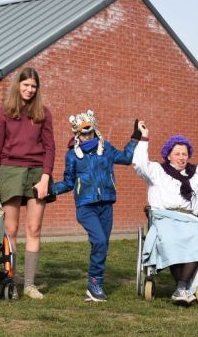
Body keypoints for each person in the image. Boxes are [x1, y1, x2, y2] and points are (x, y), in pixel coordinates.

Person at [132, 120, 198, 306]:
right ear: (168, 156)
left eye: (184, 153)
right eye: (177, 153)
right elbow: (140, 164)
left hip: (191, 219)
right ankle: (182, 288)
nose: (181, 157)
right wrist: (144, 137)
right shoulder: (158, 171)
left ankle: (181, 287)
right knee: (171, 240)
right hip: (165, 217)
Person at [49, 110, 138, 302]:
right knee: (99, 241)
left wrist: (135, 138)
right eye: (83, 133)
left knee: (102, 245)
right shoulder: (72, 155)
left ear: (95, 130)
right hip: (86, 206)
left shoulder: (106, 148)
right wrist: (50, 190)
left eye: (89, 132)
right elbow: (68, 182)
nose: (87, 136)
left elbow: (126, 158)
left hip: (106, 204)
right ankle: (95, 284)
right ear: (77, 135)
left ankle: (94, 285)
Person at [0, 67, 55, 299]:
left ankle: (29, 284)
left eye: (33, 86)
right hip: (10, 170)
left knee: (34, 229)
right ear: (18, 85)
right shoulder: (4, 113)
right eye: (26, 85)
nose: (29, 89)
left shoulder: (43, 113)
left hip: (37, 173)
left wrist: (45, 177)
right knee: (11, 229)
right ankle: (11, 282)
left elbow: (50, 148)